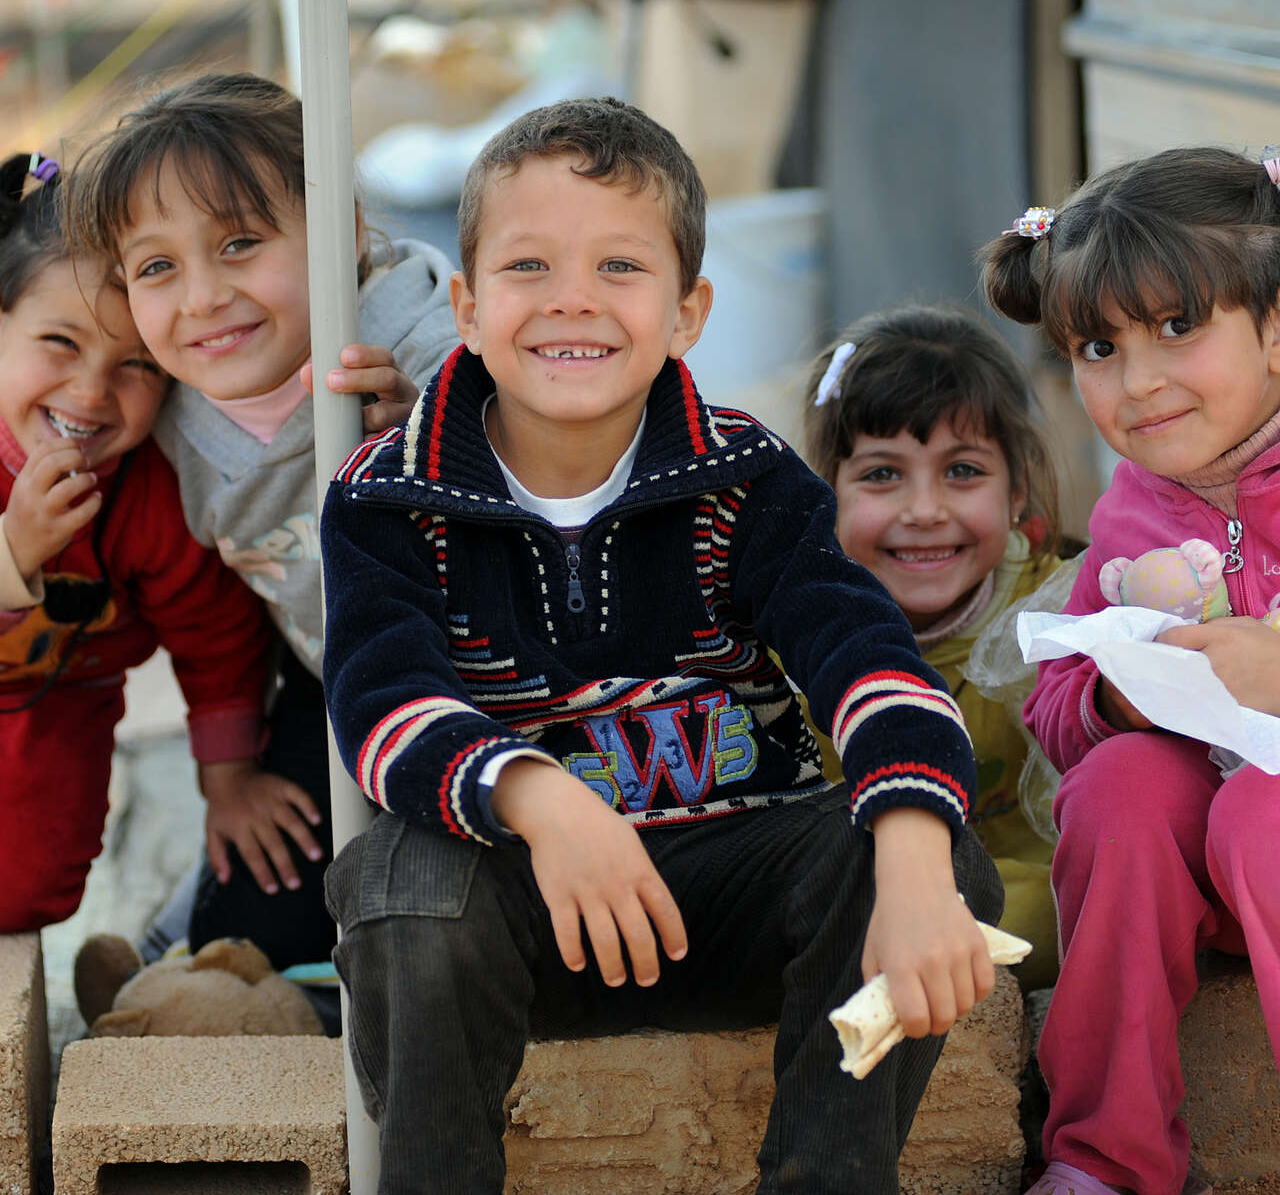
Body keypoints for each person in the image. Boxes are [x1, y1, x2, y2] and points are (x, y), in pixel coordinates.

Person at [320, 95, 1004, 1195]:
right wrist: (542, 799)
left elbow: (867, 655)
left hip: (730, 901)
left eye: (620, 268)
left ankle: (826, 1178)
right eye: (528, 266)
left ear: (688, 311)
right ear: (466, 303)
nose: (572, 300)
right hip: (521, 911)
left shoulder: (741, 475)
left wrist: (920, 859)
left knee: (920, 845)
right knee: (401, 877)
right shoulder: (391, 494)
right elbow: (381, 702)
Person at [64, 72, 460, 973]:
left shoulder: (411, 340)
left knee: (429, 903)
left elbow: (536, 435)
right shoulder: (165, 410)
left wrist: (435, 434)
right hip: (325, 676)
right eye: (158, 267)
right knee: (263, 886)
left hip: (487, 686)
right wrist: (228, 780)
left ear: (343, 234)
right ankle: (192, 935)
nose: (201, 297)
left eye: (240, 242)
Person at [982, 146, 1280, 1195]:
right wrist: (1114, 685)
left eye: (1175, 326)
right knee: (1113, 786)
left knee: (1260, 814)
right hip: (1197, 865)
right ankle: (1105, 1160)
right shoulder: (1130, 511)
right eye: (1097, 345)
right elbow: (1058, 709)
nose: (1136, 380)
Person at [0, 149, 281, 933]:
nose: (91, 394)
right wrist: (14, 550)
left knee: (24, 894)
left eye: (135, 366)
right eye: (59, 342)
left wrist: (227, 786)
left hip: (57, 700)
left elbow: (216, 639)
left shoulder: (153, 490)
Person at [801, 304, 1069, 991]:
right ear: (823, 493)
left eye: (963, 472)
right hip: (865, 903)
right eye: (882, 475)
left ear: (1017, 491)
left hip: (1036, 906)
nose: (924, 511)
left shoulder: (1067, 624)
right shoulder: (787, 646)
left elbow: (1090, 870)